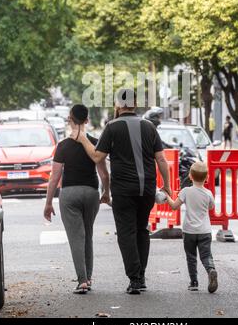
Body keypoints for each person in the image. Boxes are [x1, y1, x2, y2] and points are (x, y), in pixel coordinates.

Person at [72, 89, 172, 295]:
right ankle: (140, 276)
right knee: (142, 229)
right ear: (135, 104)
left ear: (118, 105)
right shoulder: (149, 126)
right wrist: (168, 186)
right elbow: (161, 159)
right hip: (147, 189)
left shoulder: (112, 127)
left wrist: (82, 138)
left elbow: (97, 156)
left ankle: (135, 279)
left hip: (123, 190)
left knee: (126, 232)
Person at [44, 104, 110, 294]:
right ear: (87, 120)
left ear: (69, 120)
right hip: (91, 193)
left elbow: (54, 178)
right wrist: (106, 192)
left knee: (76, 238)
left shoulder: (63, 146)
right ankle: (88, 278)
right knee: (87, 235)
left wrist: (48, 203)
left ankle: (82, 280)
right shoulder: (95, 144)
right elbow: (104, 175)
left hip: (70, 194)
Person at [166, 161, 218, 294]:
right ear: (206, 178)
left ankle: (194, 282)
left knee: (191, 256)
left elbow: (174, 206)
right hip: (205, 231)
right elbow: (212, 207)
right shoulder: (208, 193)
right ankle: (211, 269)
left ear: (190, 176)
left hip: (189, 231)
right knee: (206, 255)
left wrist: (166, 196)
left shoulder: (186, 191)